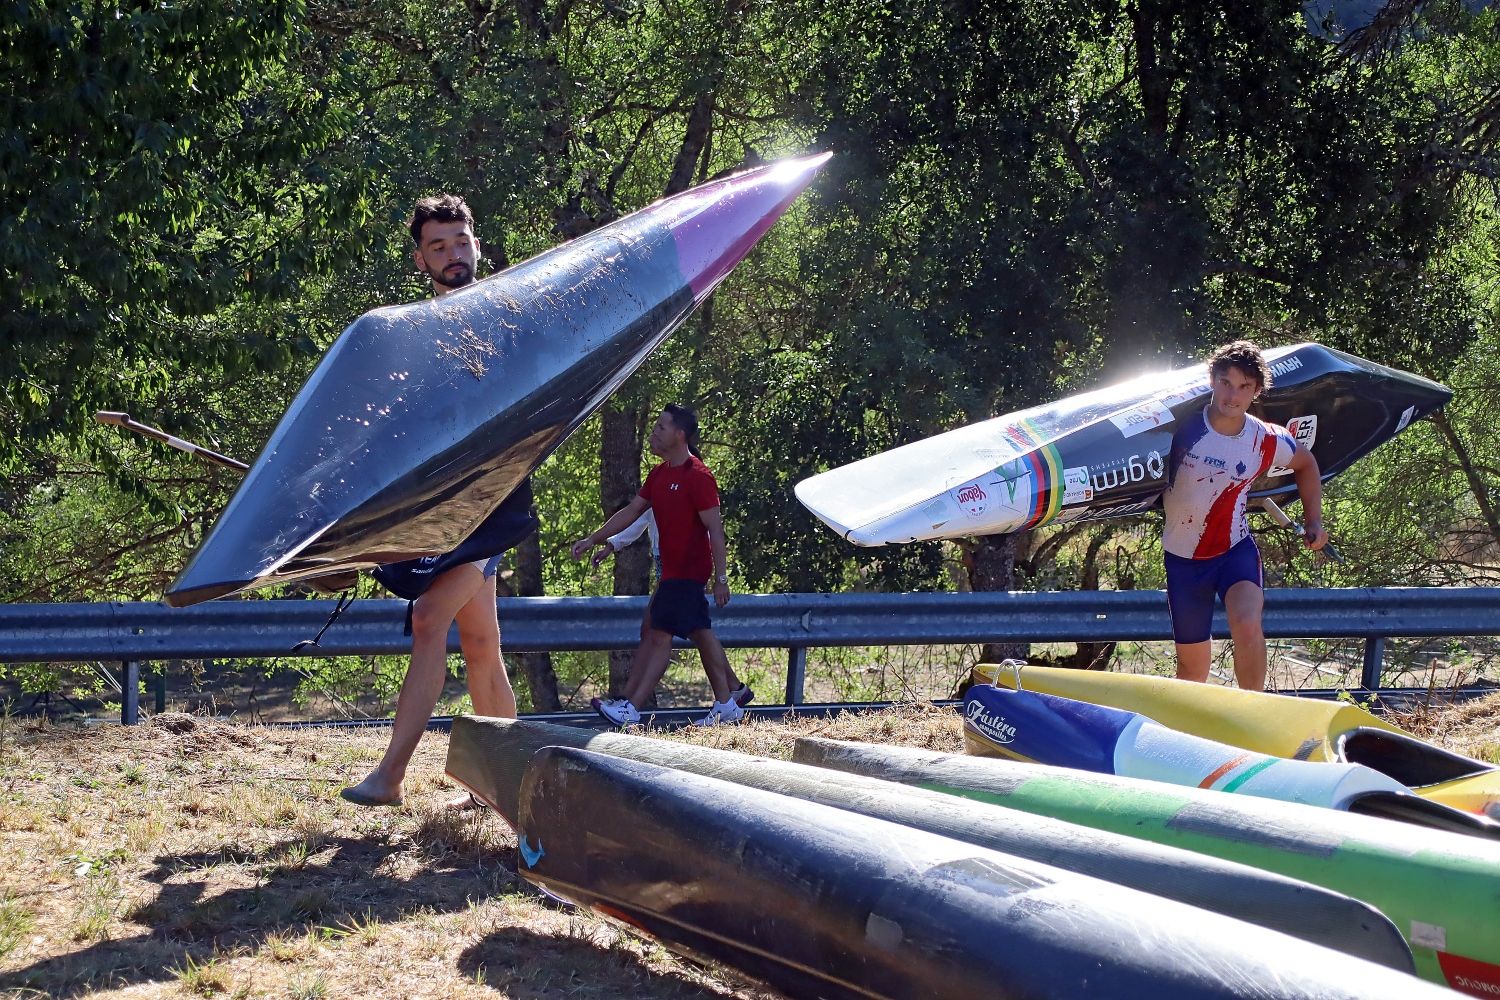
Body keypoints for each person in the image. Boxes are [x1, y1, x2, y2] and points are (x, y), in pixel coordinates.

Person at [341, 194, 538, 807]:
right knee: (481, 645)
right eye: (438, 246)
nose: (453, 254)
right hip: (446, 508)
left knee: (429, 620)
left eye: (460, 241)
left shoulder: (506, 313)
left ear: (477, 243)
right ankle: (504, 786)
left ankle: (391, 776)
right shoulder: (418, 332)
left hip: (492, 504)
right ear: (420, 258)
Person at [1162, 340, 1326, 691]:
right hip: (1183, 561)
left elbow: (1306, 463)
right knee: (1192, 670)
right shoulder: (1182, 430)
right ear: (1212, 380)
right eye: (1226, 382)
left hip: (1234, 551)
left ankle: (1254, 710)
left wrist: (1314, 520)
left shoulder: (1265, 440)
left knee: (1247, 621)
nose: (1232, 395)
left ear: (1256, 392)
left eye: (1244, 387)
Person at [572, 405, 750, 726]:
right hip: (671, 573)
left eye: (661, 428)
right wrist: (594, 538)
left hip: (688, 574)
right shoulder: (659, 474)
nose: (654, 434)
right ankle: (727, 701)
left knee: (658, 635)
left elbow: (716, 531)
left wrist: (721, 578)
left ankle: (632, 707)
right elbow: (631, 512)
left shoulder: (699, 477)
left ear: (679, 435)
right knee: (699, 632)